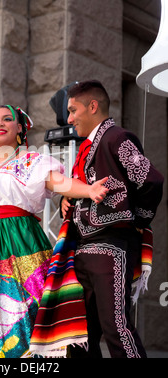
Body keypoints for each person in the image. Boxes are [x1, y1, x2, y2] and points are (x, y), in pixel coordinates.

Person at [0, 104, 109, 358]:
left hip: (21, 245)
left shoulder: (32, 162)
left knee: (26, 313)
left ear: (19, 128)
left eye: (7, 119)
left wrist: (89, 190)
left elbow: (62, 184)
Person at [60, 80, 164, 358]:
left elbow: (151, 180)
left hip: (111, 248)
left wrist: (137, 219)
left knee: (116, 328)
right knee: (79, 336)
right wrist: (68, 198)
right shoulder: (88, 147)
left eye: (73, 110)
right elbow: (84, 186)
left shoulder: (117, 138)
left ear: (93, 106)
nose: (69, 119)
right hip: (82, 248)